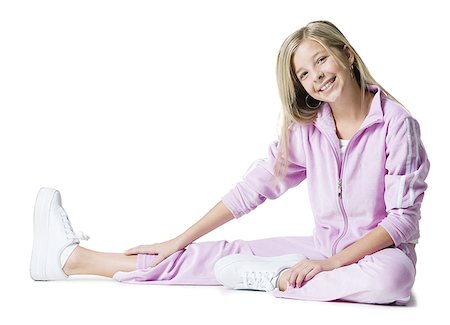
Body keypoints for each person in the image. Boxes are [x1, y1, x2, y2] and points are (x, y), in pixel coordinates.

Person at [30, 20, 430, 305]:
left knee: (394, 281)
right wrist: (177, 239)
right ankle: (72, 260)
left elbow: (401, 221)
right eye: (304, 73)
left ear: (346, 53)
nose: (317, 77)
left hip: (375, 257)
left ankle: (274, 279)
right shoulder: (309, 129)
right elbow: (252, 189)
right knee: (219, 256)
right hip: (318, 250)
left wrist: (328, 265)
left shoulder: (396, 124)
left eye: (321, 60)